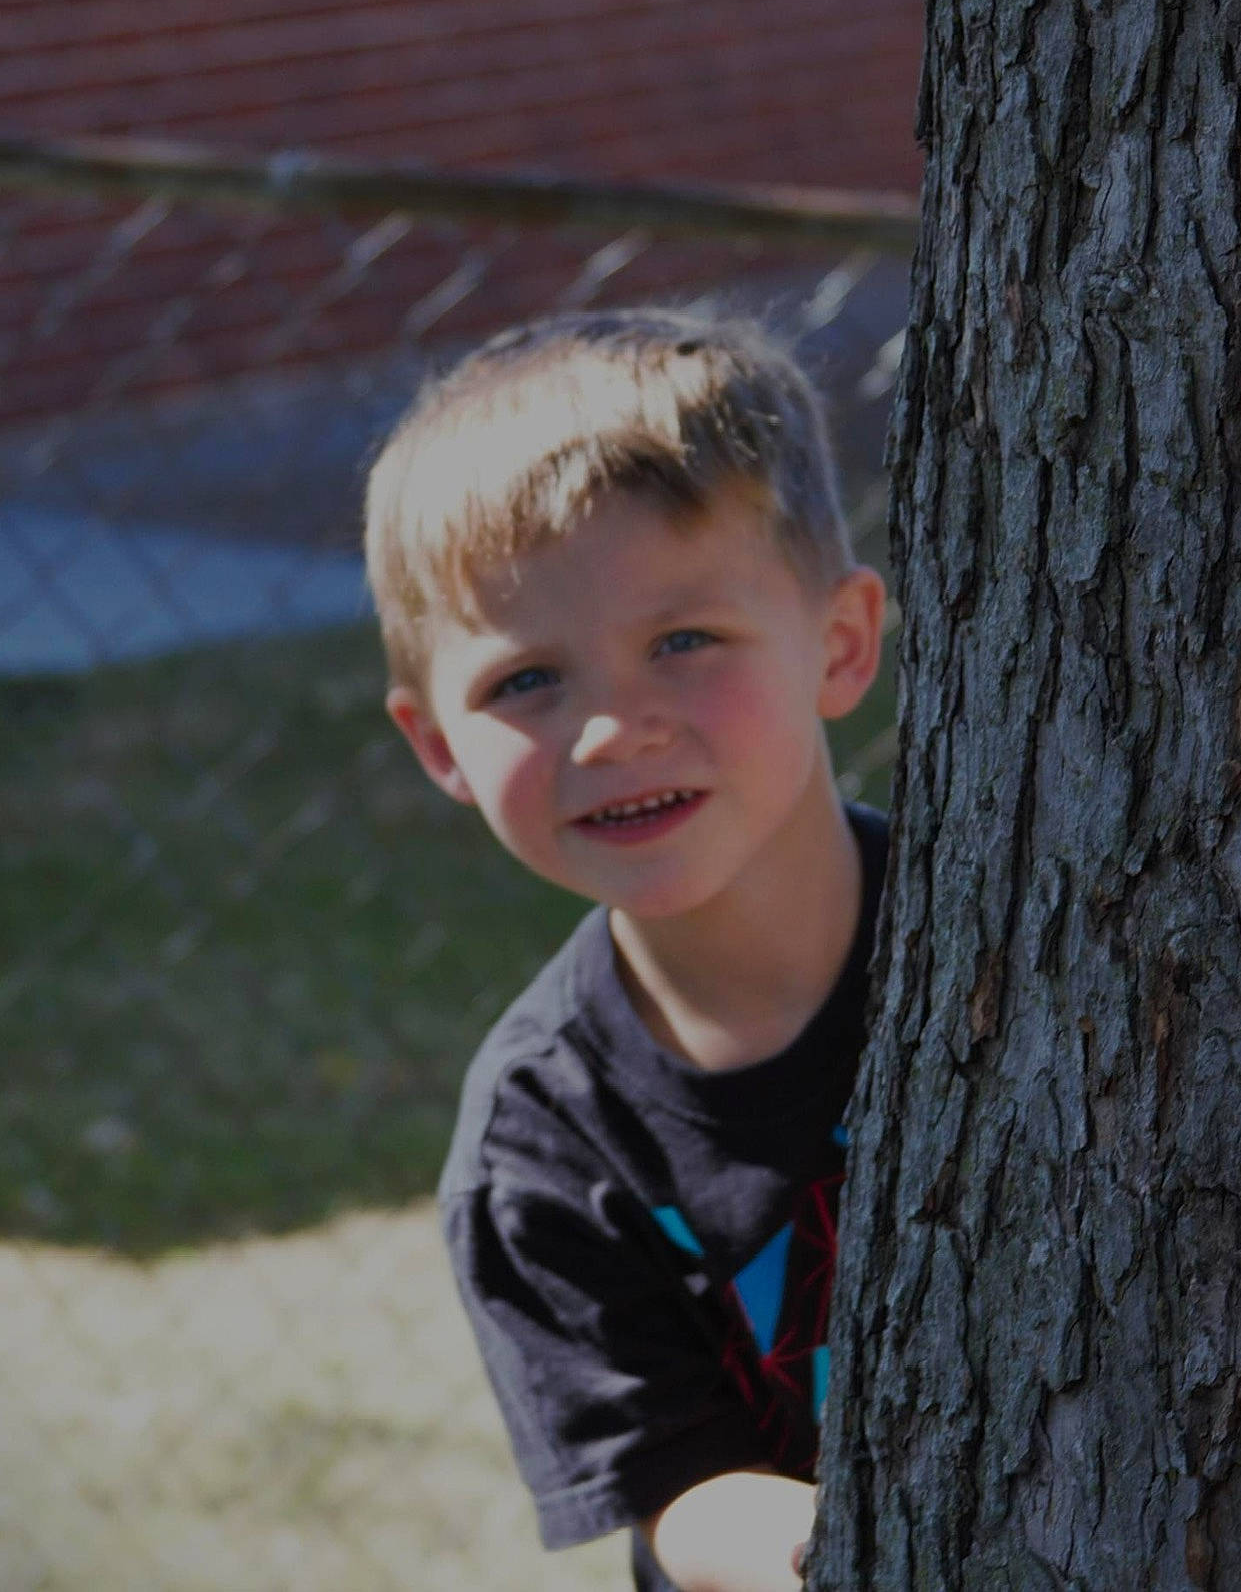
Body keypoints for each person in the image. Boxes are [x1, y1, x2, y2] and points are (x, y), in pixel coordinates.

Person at [362, 307, 889, 1592]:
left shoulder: (1024, 942)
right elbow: (677, 1487)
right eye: (525, 682)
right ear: (437, 745)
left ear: (839, 644)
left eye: (683, 642)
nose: (610, 731)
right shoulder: (541, 1141)